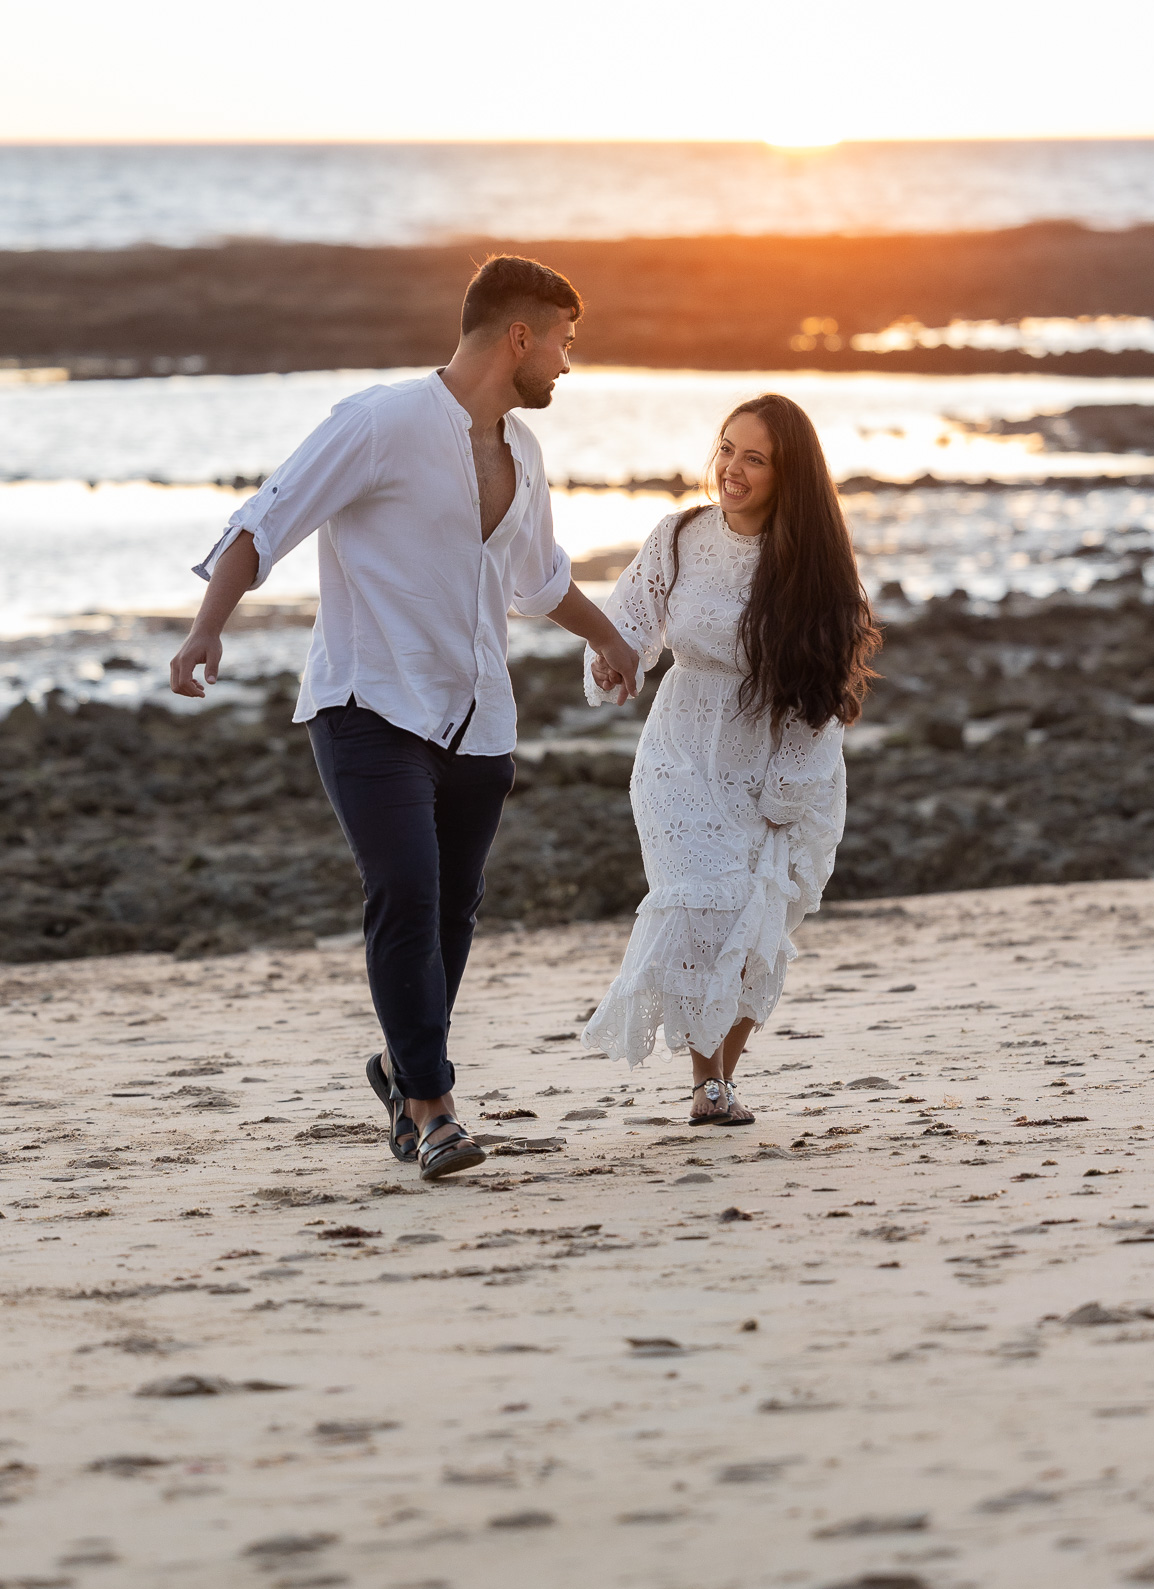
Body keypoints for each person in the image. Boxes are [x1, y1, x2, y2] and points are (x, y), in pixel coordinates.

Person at [170, 256, 640, 1180]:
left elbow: (537, 576)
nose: (567, 366)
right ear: (520, 336)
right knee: (407, 897)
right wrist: (204, 633)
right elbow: (264, 523)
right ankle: (432, 1110)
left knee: (451, 916)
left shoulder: (522, 451)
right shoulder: (379, 423)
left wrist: (609, 638)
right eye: (564, 343)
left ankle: (397, 1068)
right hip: (368, 704)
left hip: (478, 721)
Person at [582, 393, 880, 1124]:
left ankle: (718, 1082)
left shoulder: (814, 570)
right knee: (699, 902)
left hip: (781, 757)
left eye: (754, 458)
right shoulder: (679, 536)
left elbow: (818, 702)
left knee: (758, 917)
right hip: (679, 752)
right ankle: (704, 1080)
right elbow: (628, 625)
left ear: (789, 476)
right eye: (725, 449)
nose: (731, 470)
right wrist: (611, 664)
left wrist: (784, 795)